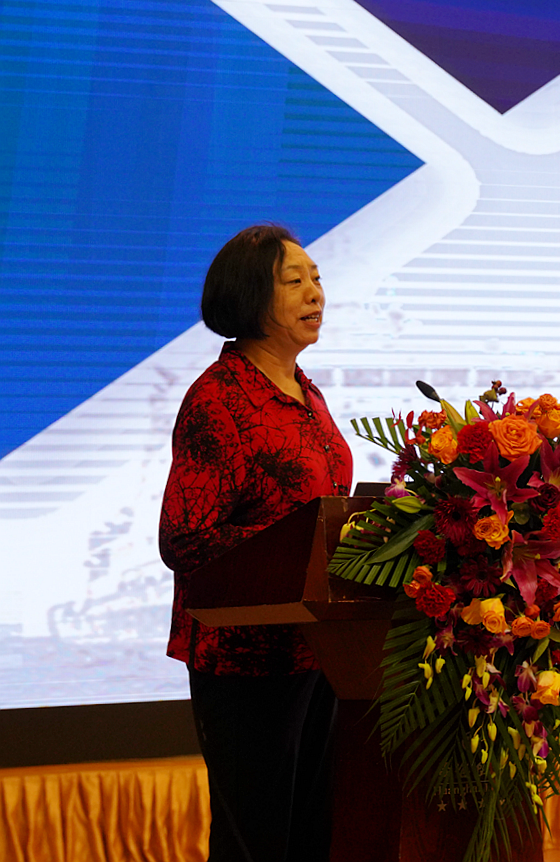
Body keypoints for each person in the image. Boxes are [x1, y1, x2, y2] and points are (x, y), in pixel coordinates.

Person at [159, 224, 353, 861]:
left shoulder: (306, 391)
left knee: (313, 837)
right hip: (244, 659)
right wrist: (299, 544)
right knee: (257, 843)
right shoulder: (220, 401)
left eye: (316, 278)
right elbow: (185, 538)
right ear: (250, 298)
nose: (315, 293)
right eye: (294, 281)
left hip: (318, 647)